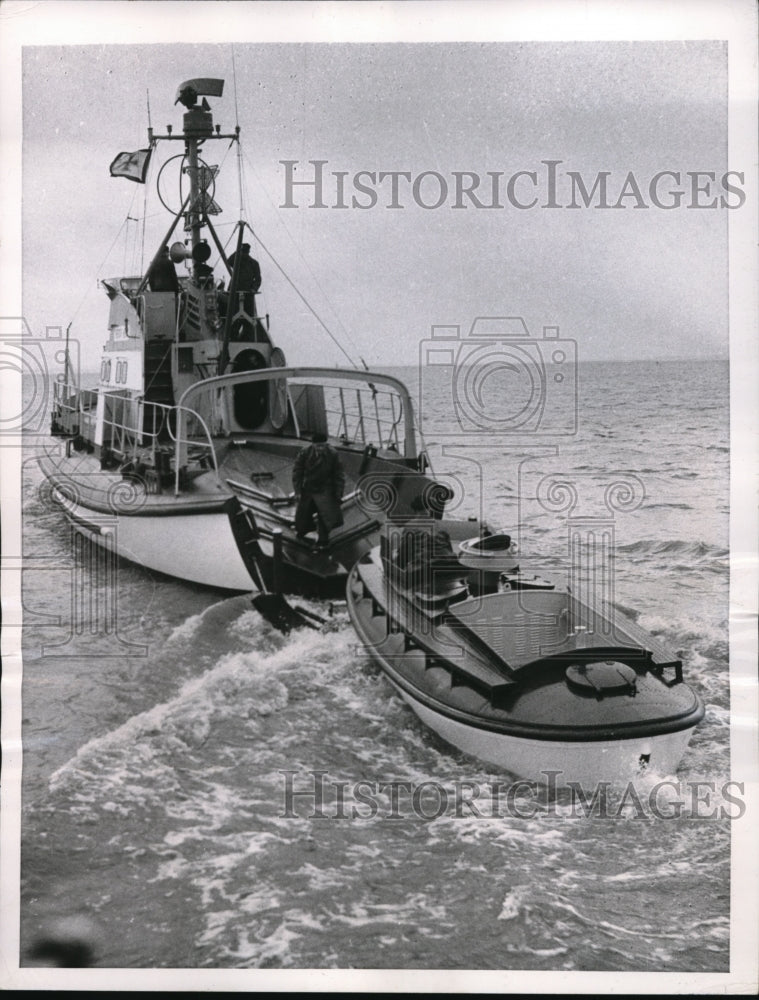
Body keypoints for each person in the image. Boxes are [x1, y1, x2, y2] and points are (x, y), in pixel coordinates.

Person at [292, 432, 345, 549]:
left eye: (323, 446)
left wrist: (338, 493)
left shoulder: (333, 454)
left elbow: (339, 475)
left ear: (326, 445)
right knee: (303, 512)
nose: (320, 449)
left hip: (325, 487)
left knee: (324, 514)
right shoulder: (305, 452)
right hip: (309, 486)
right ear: (313, 445)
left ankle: (323, 540)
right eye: (318, 446)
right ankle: (302, 532)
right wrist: (298, 491)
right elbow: (297, 472)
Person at [228, 243, 262, 314]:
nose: (244, 254)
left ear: (248, 252)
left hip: (248, 293)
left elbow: (258, 279)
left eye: (245, 252)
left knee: (249, 317)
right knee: (232, 316)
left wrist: (254, 289)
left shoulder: (254, 263)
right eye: (242, 251)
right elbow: (228, 261)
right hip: (234, 293)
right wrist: (237, 251)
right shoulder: (236, 261)